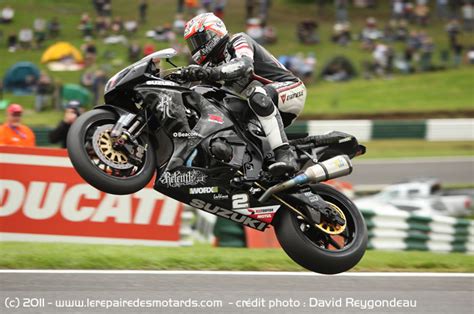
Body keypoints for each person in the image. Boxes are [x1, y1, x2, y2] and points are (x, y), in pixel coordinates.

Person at [182, 13, 305, 174]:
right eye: (192, 43)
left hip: (290, 89)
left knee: (257, 95)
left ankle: (285, 155)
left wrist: (208, 73)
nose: (196, 47)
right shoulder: (212, 65)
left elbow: (244, 65)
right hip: (261, 107)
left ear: (213, 32)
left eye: (198, 40)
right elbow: (201, 95)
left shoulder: (238, 40)